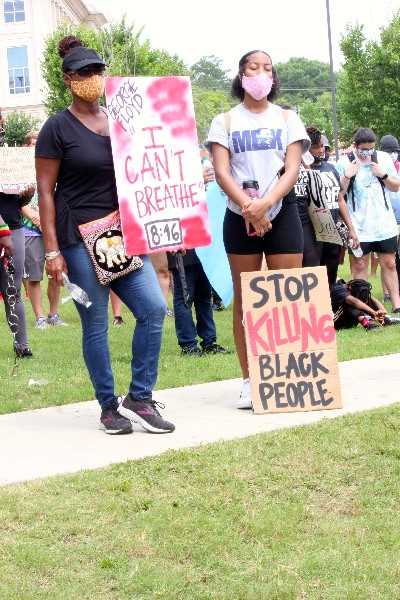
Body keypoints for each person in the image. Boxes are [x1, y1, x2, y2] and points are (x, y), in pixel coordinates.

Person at [35, 36, 175, 435]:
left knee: (151, 309)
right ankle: (108, 407)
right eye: (84, 72)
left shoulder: (123, 119)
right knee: (96, 323)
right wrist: (52, 253)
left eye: (98, 70)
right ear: (68, 79)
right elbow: (45, 191)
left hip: (124, 233)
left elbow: (150, 170)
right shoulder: (56, 128)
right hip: (78, 237)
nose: (93, 77)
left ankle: (141, 397)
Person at [206, 49, 310, 409]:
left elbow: (293, 167)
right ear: (241, 74)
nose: (261, 73)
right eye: (254, 67)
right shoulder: (225, 121)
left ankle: (287, 375)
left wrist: (266, 204)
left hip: (281, 212)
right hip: (239, 216)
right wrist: (249, 210)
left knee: (287, 298)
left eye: (268, 68)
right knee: (246, 300)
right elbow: (222, 171)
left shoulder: (287, 118)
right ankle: (250, 379)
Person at [336, 127, 400, 313]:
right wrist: (347, 175)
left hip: (383, 224)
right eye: (364, 149)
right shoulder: (343, 162)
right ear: (355, 146)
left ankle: (396, 305)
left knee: (390, 263)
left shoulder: (383, 159)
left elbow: (395, 187)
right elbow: (338, 194)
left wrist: (384, 175)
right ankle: (366, 307)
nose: (368, 152)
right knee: (360, 264)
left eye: (371, 148)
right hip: (358, 225)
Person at [21, 131, 68, 329]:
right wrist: (35, 217)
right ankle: (39, 316)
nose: (37, 147)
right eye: (33, 144)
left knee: (55, 274)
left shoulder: (51, 167)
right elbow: (18, 201)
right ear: (26, 147)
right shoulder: (19, 170)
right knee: (34, 276)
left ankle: (53, 313)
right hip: (30, 231)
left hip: (52, 230)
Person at [305, 125, 358, 286]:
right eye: (315, 147)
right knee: (312, 276)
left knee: (331, 275)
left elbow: (340, 199)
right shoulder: (300, 170)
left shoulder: (330, 168)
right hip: (311, 232)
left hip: (332, 231)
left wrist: (351, 228)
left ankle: (330, 308)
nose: (321, 151)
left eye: (322, 147)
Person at [167, 249, 231, 356]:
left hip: (205, 254)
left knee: (205, 298)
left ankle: (209, 341)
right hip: (182, 253)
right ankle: (188, 345)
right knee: (184, 300)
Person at [0, 185, 35, 357]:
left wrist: (26, 198)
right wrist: (2, 230)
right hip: (6, 230)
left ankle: (22, 346)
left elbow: (13, 202)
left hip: (14, 226)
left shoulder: (12, 161)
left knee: (13, 290)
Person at [379, 135, 400, 302]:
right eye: (389, 151)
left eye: (395, 151)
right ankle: (387, 293)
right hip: (386, 219)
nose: (392, 154)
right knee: (387, 260)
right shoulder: (379, 167)